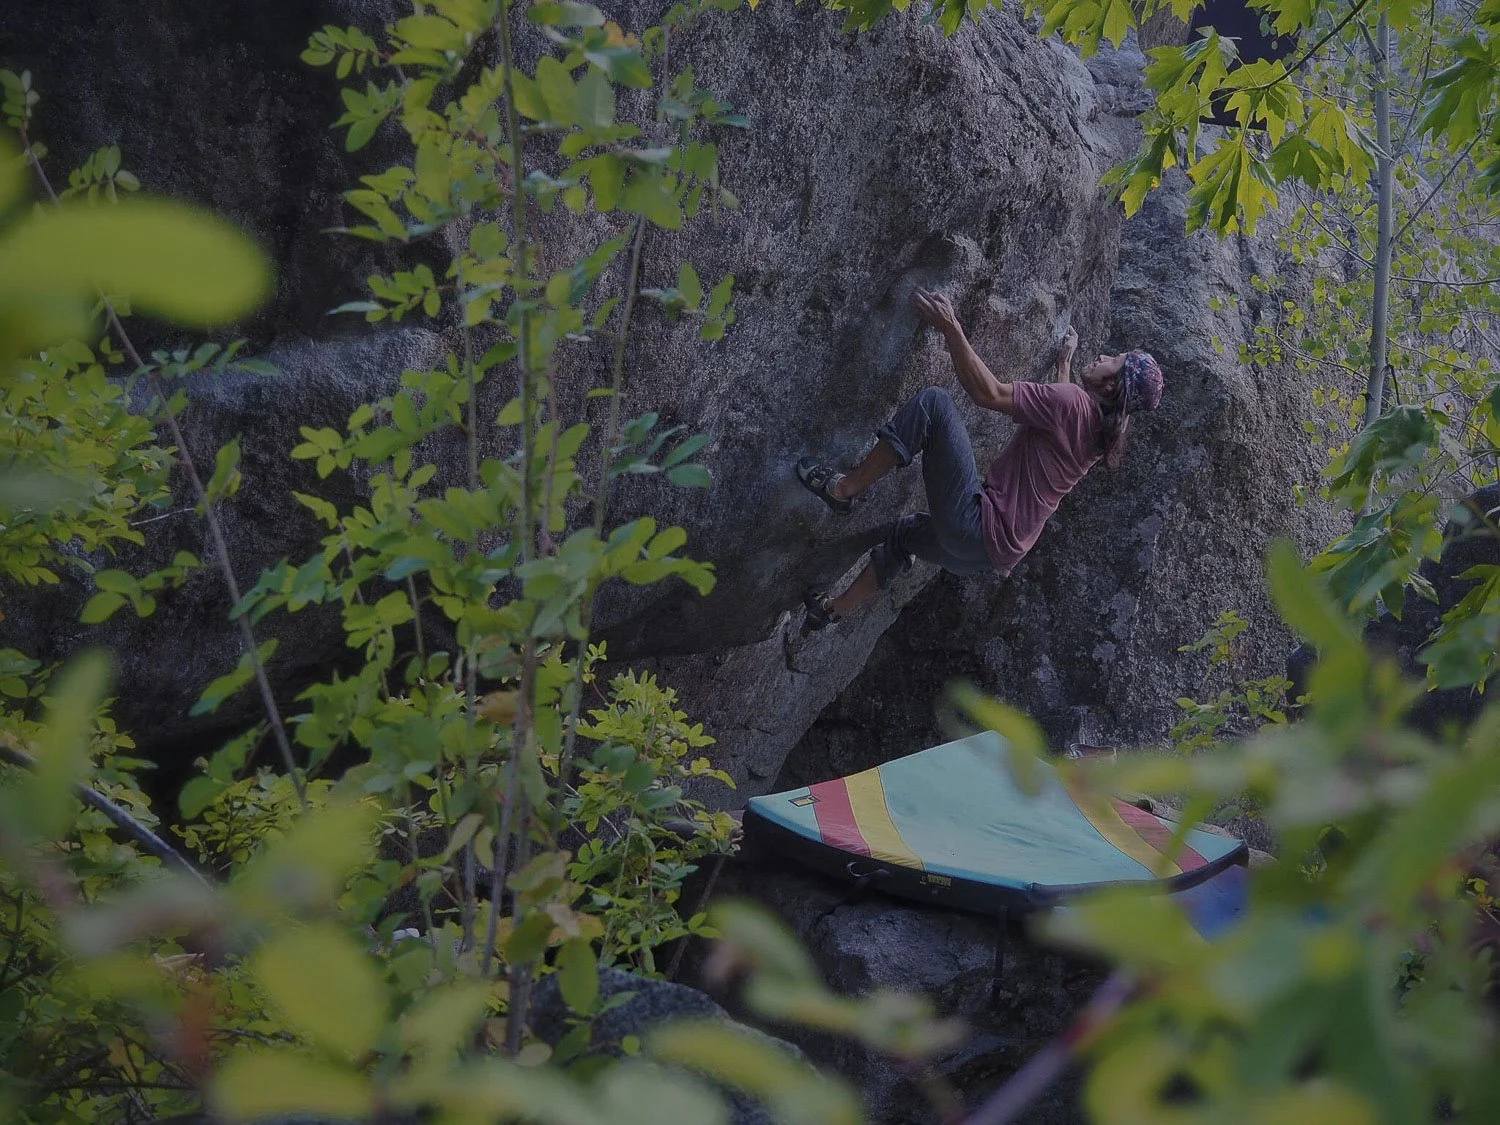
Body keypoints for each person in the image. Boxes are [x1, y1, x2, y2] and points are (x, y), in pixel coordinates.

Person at [794, 288, 1163, 629]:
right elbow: (1062, 410)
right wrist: (1064, 362)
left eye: (1113, 360)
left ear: (1112, 385)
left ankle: (843, 490)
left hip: (974, 524)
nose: (1102, 356)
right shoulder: (1101, 437)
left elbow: (989, 394)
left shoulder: (1071, 404)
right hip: (980, 557)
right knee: (903, 536)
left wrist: (950, 327)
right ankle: (828, 612)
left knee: (934, 405)